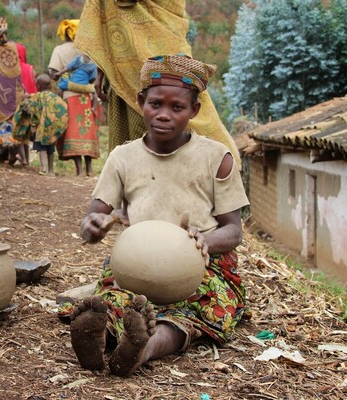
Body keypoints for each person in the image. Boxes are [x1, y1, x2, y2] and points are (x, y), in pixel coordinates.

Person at [58, 54, 250, 377]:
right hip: (137, 265)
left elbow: (234, 231)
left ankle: (142, 348)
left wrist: (203, 241)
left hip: (199, 267)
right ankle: (97, 336)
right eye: (155, 104)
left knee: (193, 311)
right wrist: (93, 226)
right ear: (140, 101)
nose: (164, 115)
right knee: (117, 300)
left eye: (177, 108)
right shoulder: (123, 158)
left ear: (195, 111)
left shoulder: (217, 157)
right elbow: (94, 217)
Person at [75, 0, 240, 164]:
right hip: (123, 63)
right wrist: (101, 69)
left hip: (166, 44)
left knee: (182, 108)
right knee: (132, 146)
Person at [48, 19, 99, 177]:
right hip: (87, 95)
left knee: (73, 129)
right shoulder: (90, 52)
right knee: (87, 128)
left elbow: (53, 74)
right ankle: (89, 169)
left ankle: (78, 170)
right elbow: (94, 77)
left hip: (69, 95)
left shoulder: (59, 50)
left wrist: (65, 77)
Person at [0, 17, 26, 167]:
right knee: (8, 120)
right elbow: (16, 71)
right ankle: (9, 150)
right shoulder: (13, 47)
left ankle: (0, 153)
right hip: (11, 91)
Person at [12, 74, 68, 176]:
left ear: (38, 86)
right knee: (51, 149)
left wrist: (24, 99)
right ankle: (51, 170)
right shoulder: (56, 98)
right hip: (52, 130)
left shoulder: (36, 97)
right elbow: (64, 111)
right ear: (50, 85)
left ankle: (44, 169)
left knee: (41, 148)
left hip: (41, 130)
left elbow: (29, 110)